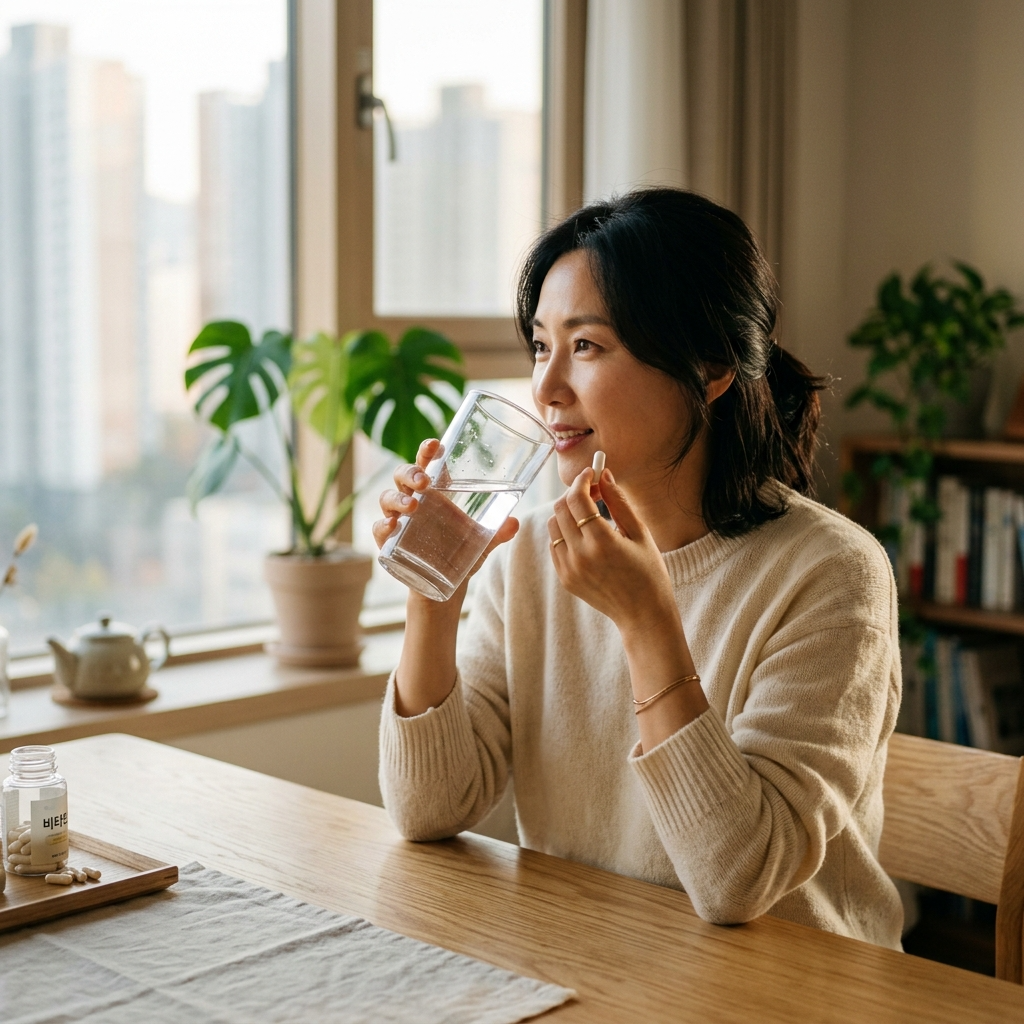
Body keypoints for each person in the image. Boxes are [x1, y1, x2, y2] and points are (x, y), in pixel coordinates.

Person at [373, 188, 903, 949]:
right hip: (600, 964)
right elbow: (427, 809)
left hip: (791, 991)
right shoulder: (527, 547)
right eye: (539, 346)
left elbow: (737, 881)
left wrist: (648, 617)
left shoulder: (833, 574)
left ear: (711, 365)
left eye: (586, 346)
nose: (548, 388)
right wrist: (436, 584)